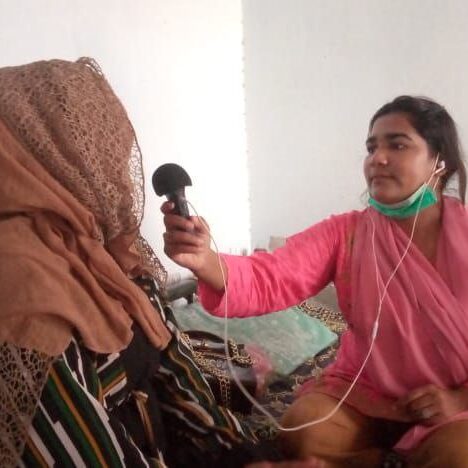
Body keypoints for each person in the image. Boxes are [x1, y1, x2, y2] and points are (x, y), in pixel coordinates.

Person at [0, 58, 292, 468]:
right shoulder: (21, 295)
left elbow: (173, 367)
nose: (114, 168)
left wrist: (243, 455)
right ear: (51, 157)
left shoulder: (101, 245)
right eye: (97, 147)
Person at [162, 95, 468, 467]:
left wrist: (457, 400)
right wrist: (206, 260)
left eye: (397, 145)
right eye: (372, 147)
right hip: (365, 393)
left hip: (454, 404)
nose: (377, 159)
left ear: (441, 162)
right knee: (306, 429)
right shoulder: (349, 233)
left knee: (458, 455)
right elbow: (272, 275)